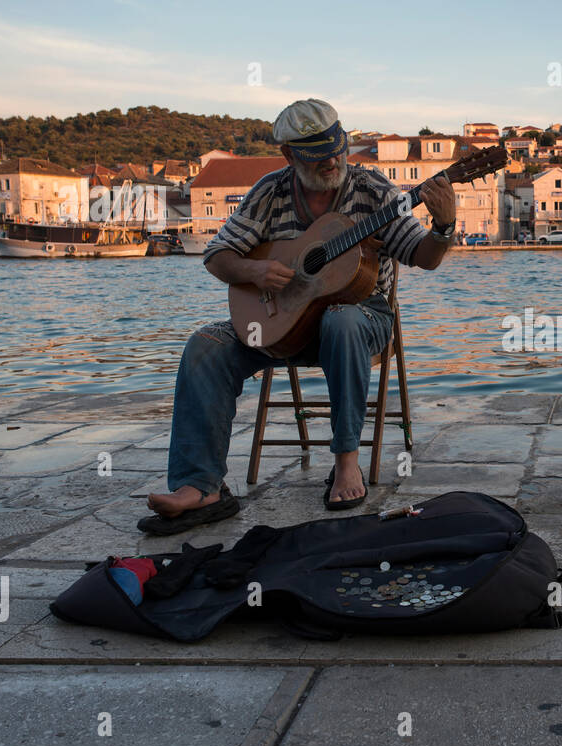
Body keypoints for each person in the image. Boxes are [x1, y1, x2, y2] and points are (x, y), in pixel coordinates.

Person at [137, 99, 456, 535]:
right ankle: (201, 487)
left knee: (341, 320)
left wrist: (443, 228)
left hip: (362, 318)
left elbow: (425, 257)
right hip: (285, 324)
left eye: (336, 149)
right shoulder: (271, 191)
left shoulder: (374, 191)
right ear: (289, 155)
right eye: (317, 155)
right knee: (204, 346)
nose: (332, 160)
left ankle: (346, 464)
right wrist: (255, 270)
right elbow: (217, 256)